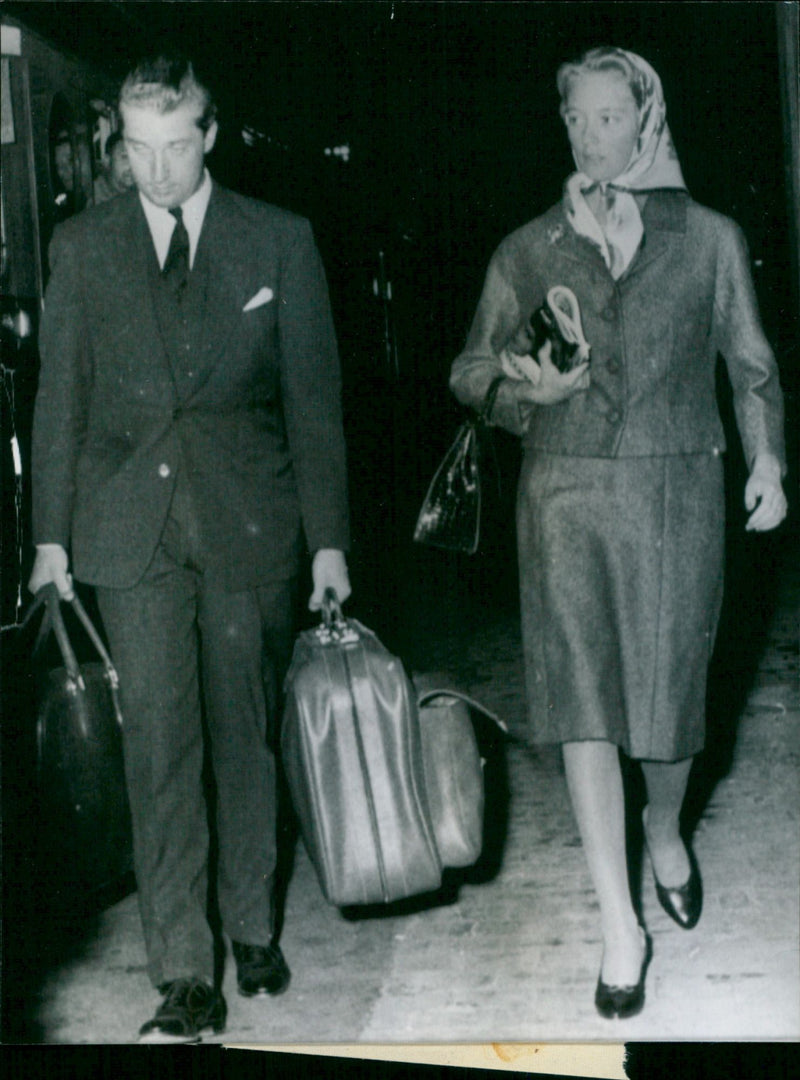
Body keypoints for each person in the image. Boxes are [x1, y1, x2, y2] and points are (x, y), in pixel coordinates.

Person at [450, 47, 787, 1019]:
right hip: (560, 498)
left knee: (669, 718)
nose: (590, 135)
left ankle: (667, 829)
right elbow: (469, 371)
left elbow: (750, 366)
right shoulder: (526, 249)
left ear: (646, 121)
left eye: (609, 117)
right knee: (583, 708)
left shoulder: (709, 239)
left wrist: (765, 460)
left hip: (678, 498)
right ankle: (617, 923)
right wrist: (522, 385)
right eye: (576, 118)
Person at [29, 53, 351, 1042]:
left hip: (249, 521)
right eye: (138, 148)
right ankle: (183, 968)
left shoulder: (279, 241)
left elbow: (313, 406)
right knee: (159, 747)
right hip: (128, 534)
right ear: (117, 144)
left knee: (241, 733)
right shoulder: (82, 250)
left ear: (209, 135)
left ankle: (252, 922)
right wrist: (48, 538)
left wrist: (330, 544)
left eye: (176, 146)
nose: (157, 170)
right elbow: (60, 402)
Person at [93, 130, 135, 203]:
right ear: (107, 161)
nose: (132, 165)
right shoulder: (93, 197)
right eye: (124, 157)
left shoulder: (141, 194)